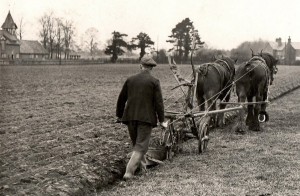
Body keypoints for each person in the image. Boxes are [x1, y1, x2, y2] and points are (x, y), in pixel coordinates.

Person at [116, 56, 168, 180]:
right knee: (141, 147)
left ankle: (143, 168)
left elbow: (121, 99)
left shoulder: (130, 80)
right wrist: (162, 120)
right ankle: (129, 173)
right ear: (151, 68)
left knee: (137, 144)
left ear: (141, 66)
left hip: (130, 117)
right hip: (145, 119)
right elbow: (159, 103)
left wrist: (119, 115)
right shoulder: (154, 82)